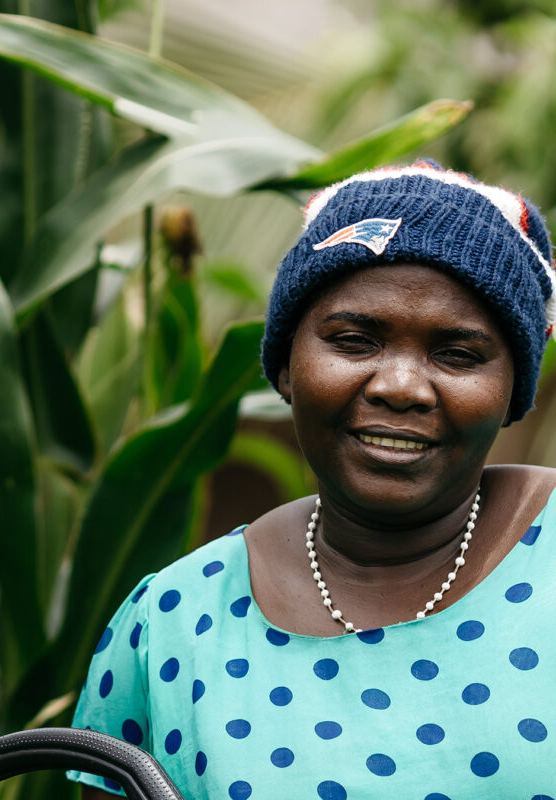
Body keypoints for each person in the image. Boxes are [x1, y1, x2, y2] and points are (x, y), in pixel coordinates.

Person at [67, 161, 556, 799]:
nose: (400, 387)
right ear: (286, 367)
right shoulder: (172, 621)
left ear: (512, 388)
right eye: (354, 341)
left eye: (457, 354)